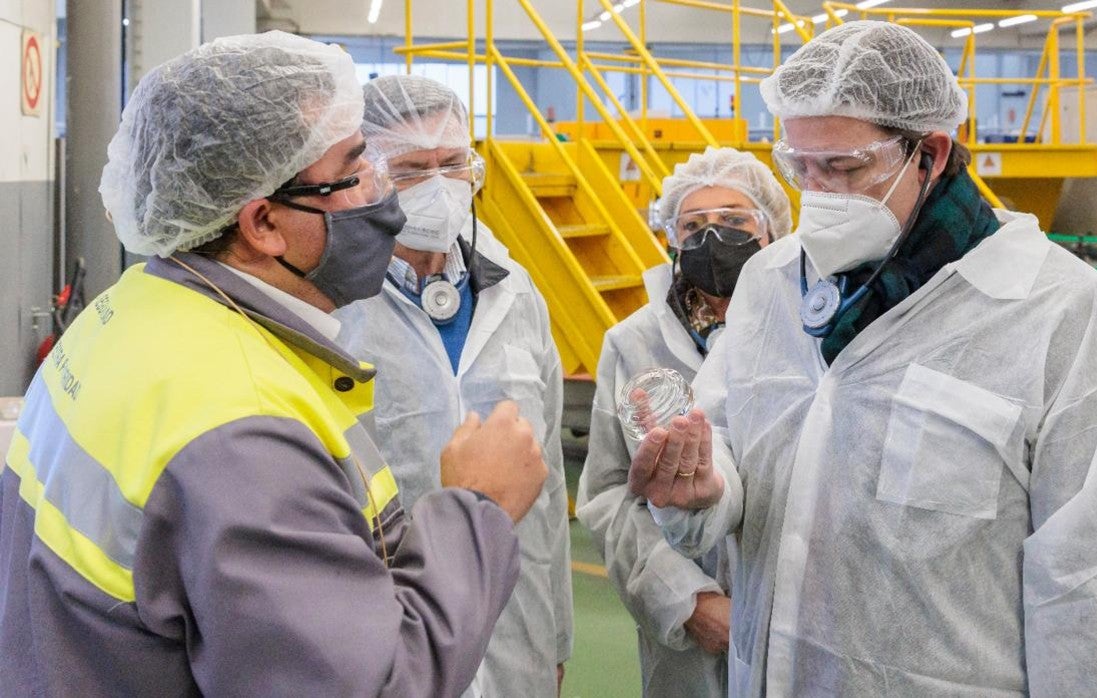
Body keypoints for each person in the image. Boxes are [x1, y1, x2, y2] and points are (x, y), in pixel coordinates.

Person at [627, 21, 1097, 697]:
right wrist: (705, 491)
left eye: (845, 167)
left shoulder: (1059, 312)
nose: (818, 193)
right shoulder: (773, 283)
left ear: (931, 153)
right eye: (801, 166)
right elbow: (735, 450)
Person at [0, 32, 549, 696]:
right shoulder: (244, 426)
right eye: (357, 171)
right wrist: (477, 506)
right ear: (261, 223)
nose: (386, 199)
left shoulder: (129, 313)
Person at [334, 74, 573, 698]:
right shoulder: (331, 308)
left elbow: (545, 494)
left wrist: (556, 639)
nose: (439, 187)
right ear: (366, 174)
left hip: (515, 625)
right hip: (388, 633)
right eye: (411, 169)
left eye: (453, 164)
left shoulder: (516, 292)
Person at [577, 147, 791, 697]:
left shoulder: (810, 331)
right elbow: (608, 495)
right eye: (693, 225)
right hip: (687, 647)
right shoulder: (635, 343)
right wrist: (687, 601)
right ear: (670, 237)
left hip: (790, 618)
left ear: (773, 229)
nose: (713, 238)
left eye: (735, 221)